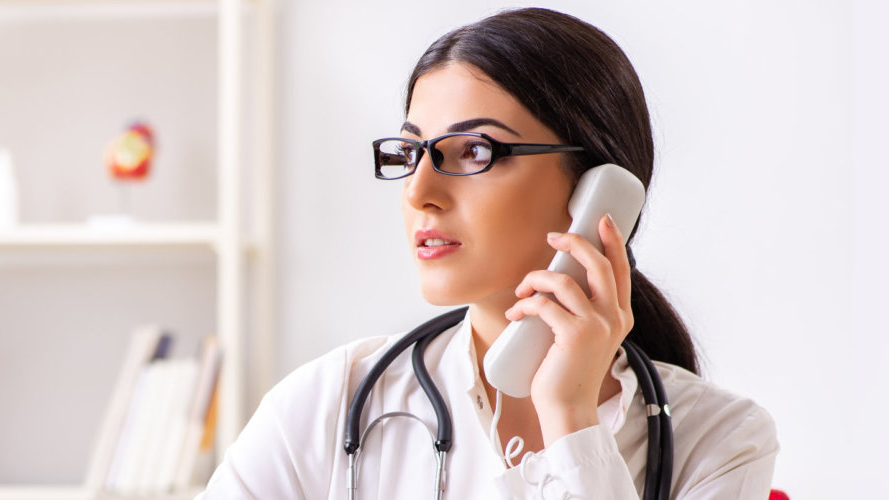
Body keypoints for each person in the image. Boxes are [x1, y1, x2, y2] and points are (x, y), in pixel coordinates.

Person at [199, 8, 777, 499]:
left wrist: (572, 421)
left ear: (598, 190)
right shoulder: (329, 401)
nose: (419, 193)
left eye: (475, 150)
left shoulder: (721, 440)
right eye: (410, 153)